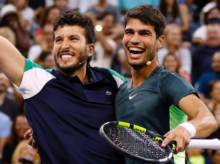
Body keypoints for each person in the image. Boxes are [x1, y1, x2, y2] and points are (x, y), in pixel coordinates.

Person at [0, 11, 126, 163]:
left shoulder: (111, 79)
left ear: (90, 49)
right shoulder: (38, 81)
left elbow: (147, 101)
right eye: (58, 40)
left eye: (73, 39)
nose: (64, 45)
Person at [115, 4, 218, 164]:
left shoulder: (169, 81)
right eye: (129, 32)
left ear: (159, 41)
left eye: (144, 33)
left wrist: (186, 129)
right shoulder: (122, 91)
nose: (134, 39)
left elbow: (207, 119)